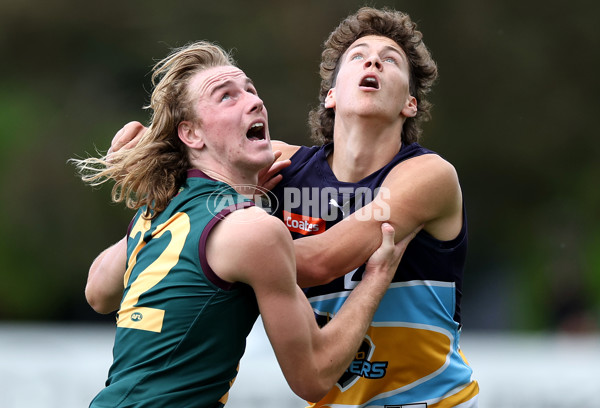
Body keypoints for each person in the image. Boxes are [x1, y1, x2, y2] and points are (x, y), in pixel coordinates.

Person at [96, 6, 479, 407]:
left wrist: (226, 247)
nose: (373, 61)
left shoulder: (426, 176)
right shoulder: (279, 164)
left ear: (410, 104)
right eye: (358, 55)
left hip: (430, 400)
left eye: (390, 60)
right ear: (331, 95)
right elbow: (202, 164)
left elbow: (323, 259)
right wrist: (153, 160)